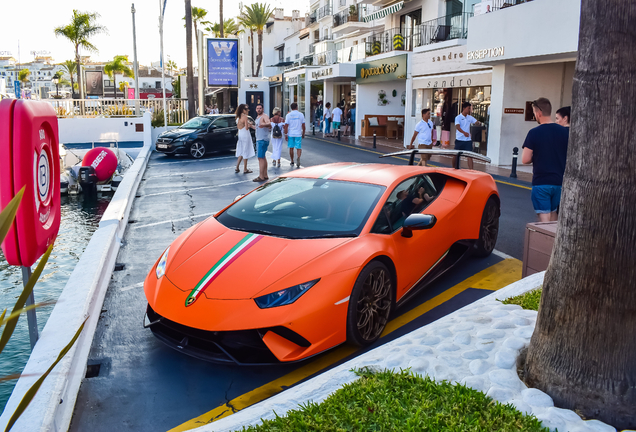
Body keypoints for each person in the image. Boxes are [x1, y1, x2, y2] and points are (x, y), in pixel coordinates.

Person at [521, 97, 569, 222]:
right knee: (554, 216)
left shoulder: (534, 133)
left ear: (539, 113)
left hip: (541, 182)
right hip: (559, 182)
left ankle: (545, 241)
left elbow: (525, 159)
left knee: (544, 219)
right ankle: (554, 241)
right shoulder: (565, 132)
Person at [453, 102, 482, 169]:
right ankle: (453, 167)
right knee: (455, 155)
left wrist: (478, 123)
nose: (469, 110)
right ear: (464, 108)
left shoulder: (470, 117)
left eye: (470, 108)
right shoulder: (458, 117)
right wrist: (464, 133)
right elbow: (458, 127)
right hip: (459, 139)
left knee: (469, 156)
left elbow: (476, 122)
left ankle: (471, 170)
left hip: (468, 140)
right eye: (468, 108)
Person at [234, 104, 255, 174]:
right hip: (245, 134)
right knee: (245, 150)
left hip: (240, 133)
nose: (248, 110)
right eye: (246, 109)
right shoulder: (245, 117)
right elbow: (246, 128)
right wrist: (250, 125)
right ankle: (245, 168)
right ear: (243, 110)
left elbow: (239, 126)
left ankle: (237, 167)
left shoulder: (238, 117)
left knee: (241, 150)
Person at [284, 102, 306, 168]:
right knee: (298, 147)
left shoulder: (288, 115)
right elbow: (303, 125)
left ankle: (292, 161)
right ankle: (298, 158)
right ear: (297, 107)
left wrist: (285, 134)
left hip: (291, 133)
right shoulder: (301, 114)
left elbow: (286, 125)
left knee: (291, 147)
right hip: (298, 133)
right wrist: (303, 133)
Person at [253, 104, 271, 182]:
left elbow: (268, 123)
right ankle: (265, 175)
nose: (259, 109)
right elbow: (257, 127)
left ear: (263, 109)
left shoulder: (264, 116)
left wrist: (263, 124)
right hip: (260, 139)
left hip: (262, 140)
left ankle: (261, 176)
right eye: (257, 108)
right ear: (256, 109)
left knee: (260, 158)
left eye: (260, 108)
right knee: (262, 157)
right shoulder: (257, 118)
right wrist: (251, 126)